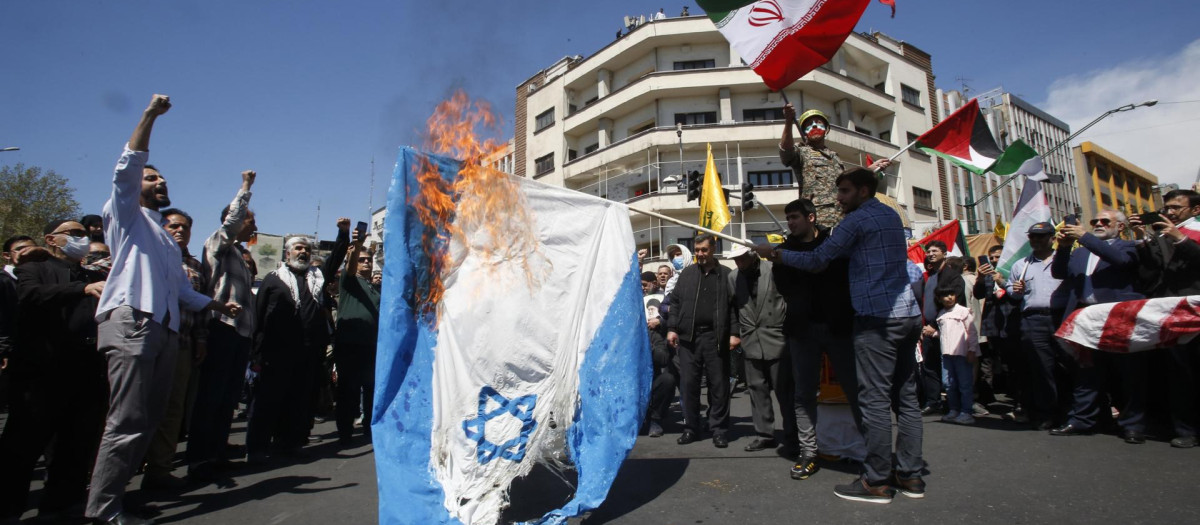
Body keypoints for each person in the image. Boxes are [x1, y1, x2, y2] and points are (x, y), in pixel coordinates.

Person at [87, 94, 240, 525]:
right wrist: (149, 116)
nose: (159, 181)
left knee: (150, 420)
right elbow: (127, 166)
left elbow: (179, 292)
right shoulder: (125, 216)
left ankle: (125, 495)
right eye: (152, 178)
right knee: (127, 420)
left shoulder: (165, 242)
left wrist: (215, 303)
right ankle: (101, 511)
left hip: (165, 331)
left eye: (162, 177)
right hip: (133, 321)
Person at [755, 168, 923, 503]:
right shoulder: (891, 214)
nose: (839, 198)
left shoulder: (855, 221)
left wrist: (775, 253)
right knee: (906, 401)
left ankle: (876, 481)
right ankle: (910, 475)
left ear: (862, 191)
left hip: (877, 319)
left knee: (872, 401)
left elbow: (818, 260)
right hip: (908, 314)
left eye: (844, 192)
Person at [0, 220, 108, 522]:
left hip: (85, 368)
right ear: (51, 239)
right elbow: (32, 296)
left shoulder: (92, 273)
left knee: (76, 443)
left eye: (83, 235)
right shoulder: (35, 269)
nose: (82, 239)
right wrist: (82, 289)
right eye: (74, 234)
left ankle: (63, 504)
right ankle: (8, 509)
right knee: (23, 445)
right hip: (42, 371)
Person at [772, 198, 861, 480]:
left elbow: (835, 273)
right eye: (788, 218)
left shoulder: (833, 242)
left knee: (856, 391)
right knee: (803, 395)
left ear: (811, 218)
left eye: (795, 217)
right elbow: (785, 287)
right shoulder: (784, 250)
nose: (790, 223)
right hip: (801, 331)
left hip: (838, 328)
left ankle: (873, 454)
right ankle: (808, 453)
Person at [248, 222, 348, 461]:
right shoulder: (274, 280)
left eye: (306, 250)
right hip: (277, 352)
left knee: (301, 399)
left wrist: (343, 234)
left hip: (309, 352)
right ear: (287, 253)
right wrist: (257, 354)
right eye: (298, 249)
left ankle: (290, 442)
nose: (303, 253)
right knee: (270, 400)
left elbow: (335, 258)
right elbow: (259, 318)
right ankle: (257, 447)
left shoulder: (316, 278)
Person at [1049, 209, 1146, 442]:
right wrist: (1063, 247)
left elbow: (1120, 261)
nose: (1098, 224)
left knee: (1127, 373)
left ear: (1121, 227)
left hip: (1118, 317)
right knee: (1087, 372)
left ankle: (1132, 424)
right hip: (1086, 317)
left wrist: (1084, 236)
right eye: (1095, 221)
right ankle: (1082, 420)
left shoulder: (1129, 246)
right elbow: (1059, 272)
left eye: (1105, 221)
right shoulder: (1081, 252)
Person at [188, 170, 260, 482]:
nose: (253, 226)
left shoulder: (242, 259)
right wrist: (245, 189)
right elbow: (231, 222)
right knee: (211, 397)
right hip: (221, 329)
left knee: (228, 399)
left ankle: (216, 454)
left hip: (240, 335)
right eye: (249, 220)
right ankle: (199, 460)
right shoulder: (217, 245)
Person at [141, 209, 210, 490]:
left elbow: (201, 303)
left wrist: (201, 338)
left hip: (183, 344)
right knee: (137, 408)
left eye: (185, 227)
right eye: (174, 226)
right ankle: (125, 470)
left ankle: (159, 470)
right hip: (147, 340)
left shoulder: (194, 265)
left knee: (172, 409)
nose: (180, 231)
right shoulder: (144, 255)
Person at [1131, 189, 1200, 448]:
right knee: (1180, 375)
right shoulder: (1164, 235)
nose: (1169, 212)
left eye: (1176, 208)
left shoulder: (1189, 233)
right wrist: (1141, 240)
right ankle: (1186, 429)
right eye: (1167, 207)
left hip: (1197, 307)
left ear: (1195, 210)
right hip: (1174, 312)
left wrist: (1181, 240)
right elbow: (1152, 272)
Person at [666, 234, 735, 448]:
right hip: (689, 339)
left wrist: (735, 333)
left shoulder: (726, 274)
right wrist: (672, 328)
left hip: (716, 338)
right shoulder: (687, 274)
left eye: (704, 250)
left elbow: (735, 307)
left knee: (719, 386)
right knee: (689, 385)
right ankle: (691, 428)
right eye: (697, 250)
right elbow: (675, 303)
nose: (700, 254)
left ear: (713, 249)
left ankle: (718, 429)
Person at [729, 244, 797, 454]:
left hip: (777, 337)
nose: (738, 262)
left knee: (785, 391)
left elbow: (788, 298)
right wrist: (736, 333)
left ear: (752, 255)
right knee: (756, 390)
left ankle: (793, 435)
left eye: (741, 258)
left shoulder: (772, 269)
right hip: (751, 340)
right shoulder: (733, 278)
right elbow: (732, 307)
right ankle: (764, 434)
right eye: (735, 259)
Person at [779, 104, 891, 228]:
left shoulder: (835, 157)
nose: (814, 126)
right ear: (804, 131)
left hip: (842, 218)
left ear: (826, 129)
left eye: (818, 122)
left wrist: (869, 170)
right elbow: (786, 152)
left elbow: (847, 180)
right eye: (809, 124)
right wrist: (788, 122)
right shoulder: (802, 151)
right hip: (817, 219)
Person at [1005, 222, 1069, 431]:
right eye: (1033, 237)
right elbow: (1012, 295)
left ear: (1052, 238)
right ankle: (1047, 413)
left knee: (1068, 366)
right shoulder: (1020, 265)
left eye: (1041, 236)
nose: (1036, 240)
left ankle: (1071, 412)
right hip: (1033, 321)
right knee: (1041, 369)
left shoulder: (1065, 260)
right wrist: (1015, 290)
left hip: (1063, 318)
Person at [334, 228, 381, 445]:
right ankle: (344, 433)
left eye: (368, 260)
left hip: (371, 346)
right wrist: (356, 246)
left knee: (370, 389)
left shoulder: (374, 287)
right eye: (362, 260)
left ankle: (369, 430)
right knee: (348, 390)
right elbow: (351, 268)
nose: (366, 264)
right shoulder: (349, 279)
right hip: (350, 344)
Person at [975, 245, 1026, 422]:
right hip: (992, 325)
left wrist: (1003, 281)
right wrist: (981, 279)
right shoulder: (988, 274)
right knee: (989, 363)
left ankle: (1020, 404)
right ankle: (986, 399)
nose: (995, 261)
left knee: (1012, 367)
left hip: (1010, 324)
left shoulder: (1015, 273)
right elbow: (979, 294)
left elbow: (1017, 297)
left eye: (998, 257)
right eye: (992, 257)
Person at [930, 285, 980, 425]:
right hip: (946, 353)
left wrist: (972, 350)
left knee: (964, 384)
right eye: (945, 296)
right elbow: (945, 332)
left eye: (951, 294)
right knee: (948, 384)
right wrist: (933, 333)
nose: (949, 298)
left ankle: (966, 411)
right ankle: (954, 409)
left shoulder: (963, 311)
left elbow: (972, 332)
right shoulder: (941, 314)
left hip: (961, 353)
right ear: (939, 299)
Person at [917, 241, 949, 414]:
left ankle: (953, 402)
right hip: (927, 329)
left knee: (949, 368)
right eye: (928, 251)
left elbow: (951, 303)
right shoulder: (928, 277)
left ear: (944, 253)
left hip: (944, 329)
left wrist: (935, 326)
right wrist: (924, 327)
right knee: (929, 367)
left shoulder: (950, 275)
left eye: (934, 250)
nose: (930, 253)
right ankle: (933, 401)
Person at [643, 271, 675, 438]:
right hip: (630, 383)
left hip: (650, 381)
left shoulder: (651, 334)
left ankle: (655, 420)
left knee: (668, 380)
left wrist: (646, 348)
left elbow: (663, 358)